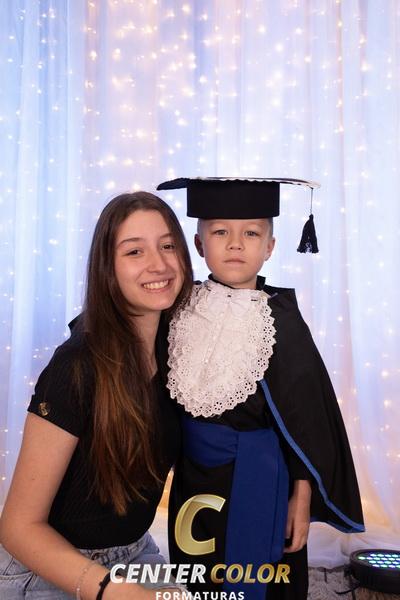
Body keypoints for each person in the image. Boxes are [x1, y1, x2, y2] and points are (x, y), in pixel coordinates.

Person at [157, 177, 365, 600]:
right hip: (194, 477)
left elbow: (307, 422)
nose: (236, 244)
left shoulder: (279, 321)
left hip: (262, 477)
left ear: (269, 247)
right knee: (199, 571)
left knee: (267, 578)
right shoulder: (177, 308)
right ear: (198, 245)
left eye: (251, 233)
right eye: (220, 232)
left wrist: (301, 495)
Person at [0, 191, 193, 599]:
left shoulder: (177, 350)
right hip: (50, 565)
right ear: (108, 267)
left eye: (167, 246)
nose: (158, 264)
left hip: (135, 552)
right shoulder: (76, 366)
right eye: (134, 251)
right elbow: (18, 527)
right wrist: (112, 590)